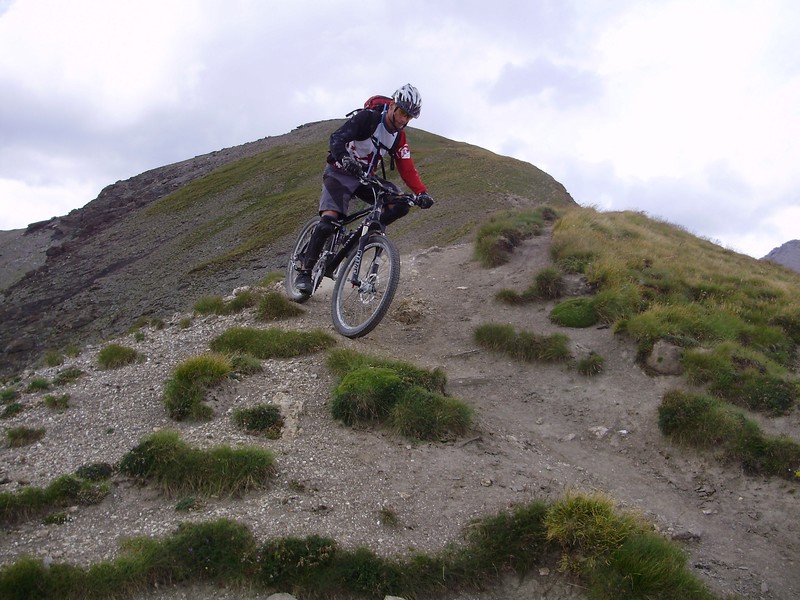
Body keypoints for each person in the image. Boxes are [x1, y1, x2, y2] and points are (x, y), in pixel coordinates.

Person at [294, 83, 434, 293]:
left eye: (409, 117)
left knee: (401, 203)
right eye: (402, 112)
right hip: (339, 172)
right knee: (329, 222)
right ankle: (305, 271)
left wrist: (421, 193)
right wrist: (343, 157)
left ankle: (361, 240)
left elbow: (407, 168)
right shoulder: (368, 118)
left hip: (366, 178)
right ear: (393, 105)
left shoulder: (399, 137)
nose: (404, 120)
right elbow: (337, 138)